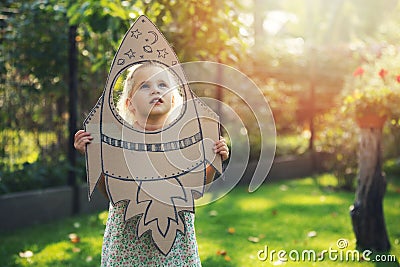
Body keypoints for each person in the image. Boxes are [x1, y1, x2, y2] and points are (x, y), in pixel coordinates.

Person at [74, 61, 229, 266]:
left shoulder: (185, 140)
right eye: (145, 86)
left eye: (163, 85)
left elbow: (195, 186)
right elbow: (111, 192)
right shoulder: (120, 141)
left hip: (174, 241)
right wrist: (92, 157)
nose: (155, 90)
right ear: (129, 103)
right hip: (129, 241)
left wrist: (212, 159)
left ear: (174, 99)